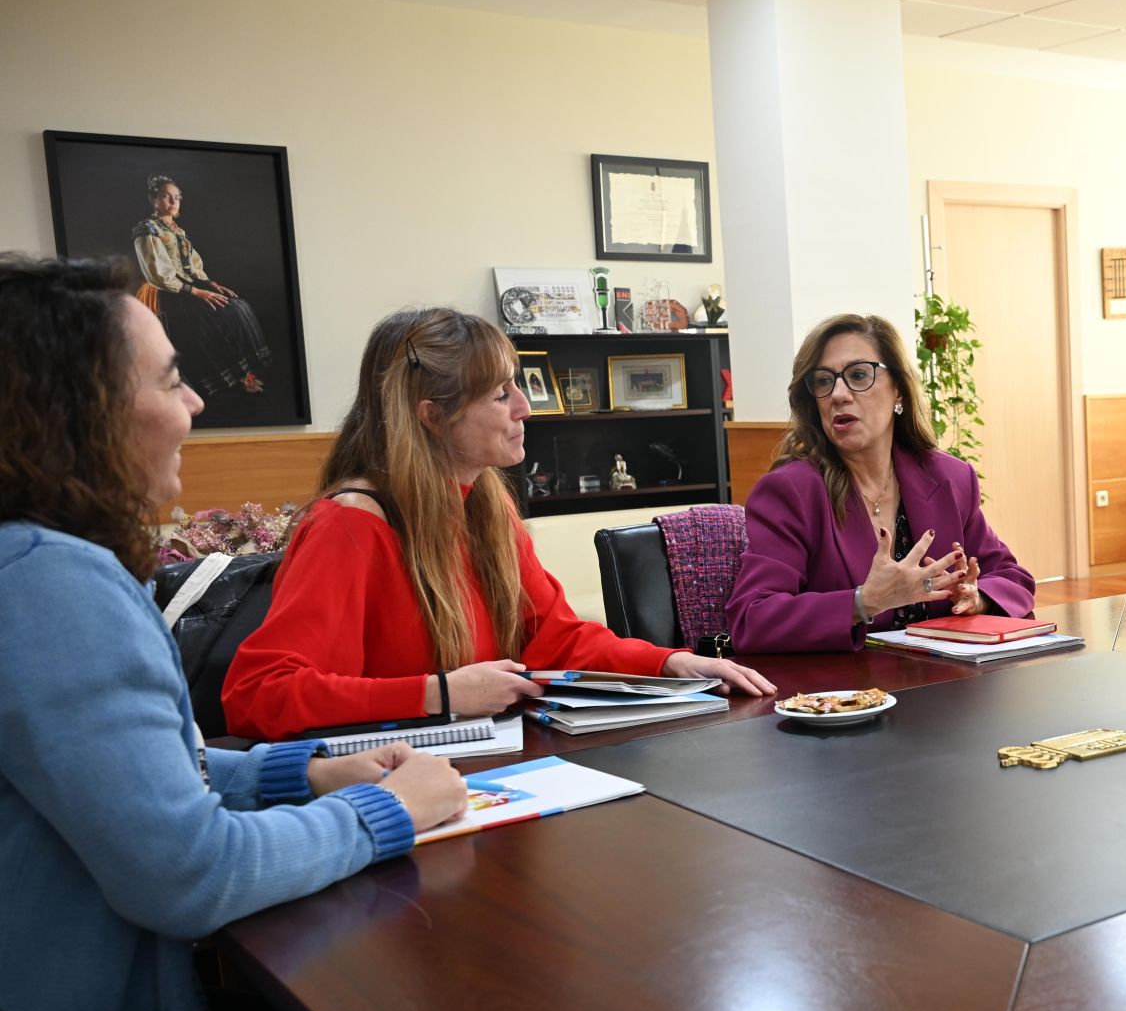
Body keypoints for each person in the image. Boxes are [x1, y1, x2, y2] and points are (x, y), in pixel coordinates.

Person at [0, 255, 466, 1011]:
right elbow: (187, 872)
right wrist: (382, 811)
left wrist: (308, 768)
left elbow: (135, 767)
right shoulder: (52, 585)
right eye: (170, 379)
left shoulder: (24, 565)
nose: (198, 401)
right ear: (79, 406)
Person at [222, 308, 775, 739]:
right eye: (499, 393)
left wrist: (672, 661)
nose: (525, 407)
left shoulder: (484, 503)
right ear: (432, 417)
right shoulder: (350, 526)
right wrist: (439, 693)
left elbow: (554, 640)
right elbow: (259, 697)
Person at [726, 312, 1035, 652]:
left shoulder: (949, 477)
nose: (838, 395)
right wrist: (864, 602)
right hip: (844, 695)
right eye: (824, 381)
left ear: (899, 391)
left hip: (948, 685)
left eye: (859, 375)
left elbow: (1011, 577)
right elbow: (751, 620)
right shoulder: (792, 491)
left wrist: (978, 598)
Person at [132, 174, 273, 400]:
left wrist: (210, 283)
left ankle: (244, 373)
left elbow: (192, 263)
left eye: (176, 197)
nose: (173, 202)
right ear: (153, 199)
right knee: (209, 319)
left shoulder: (177, 229)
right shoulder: (147, 229)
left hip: (188, 284)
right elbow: (157, 273)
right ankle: (231, 378)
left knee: (238, 307)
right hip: (166, 291)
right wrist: (195, 291)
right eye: (166, 197)